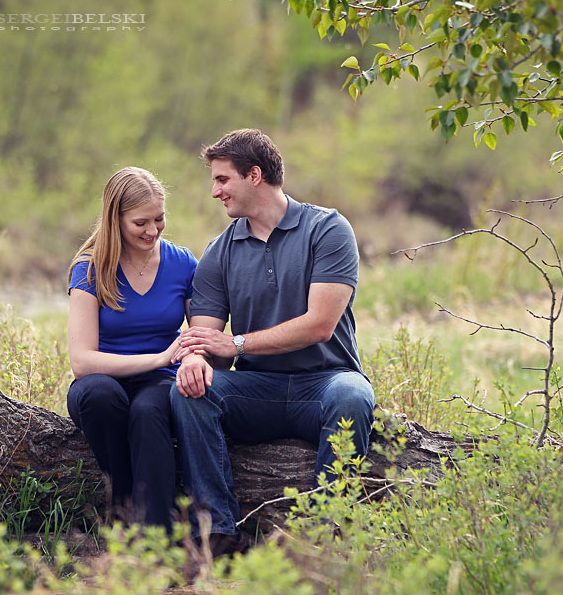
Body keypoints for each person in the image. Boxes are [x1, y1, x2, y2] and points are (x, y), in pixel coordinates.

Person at [170, 128, 375, 549]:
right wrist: (194, 359)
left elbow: (320, 324)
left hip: (326, 382)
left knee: (353, 396)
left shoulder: (328, 230)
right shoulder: (219, 251)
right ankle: (218, 534)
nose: (215, 191)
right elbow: (205, 337)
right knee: (189, 393)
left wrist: (238, 344)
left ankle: (322, 538)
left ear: (255, 175)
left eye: (222, 179)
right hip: (255, 390)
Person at [66, 166, 197, 534]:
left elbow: (201, 331)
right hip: (105, 377)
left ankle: (157, 540)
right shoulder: (89, 267)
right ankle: (123, 510)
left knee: (147, 410)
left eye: (160, 219)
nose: (153, 230)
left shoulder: (183, 262)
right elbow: (82, 361)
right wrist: (157, 358)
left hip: (160, 381)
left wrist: (189, 358)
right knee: (98, 394)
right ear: (115, 219)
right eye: (141, 222)